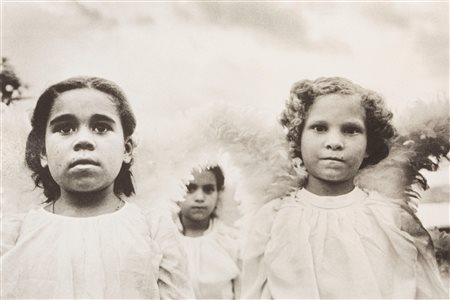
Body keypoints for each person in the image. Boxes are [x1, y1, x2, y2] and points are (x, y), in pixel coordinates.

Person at [241, 77, 447, 298]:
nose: (334, 142)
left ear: (369, 145)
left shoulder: (392, 218)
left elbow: (426, 291)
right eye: (319, 128)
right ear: (298, 138)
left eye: (350, 130)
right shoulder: (273, 219)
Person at [1, 76, 194, 299]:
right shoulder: (15, 234)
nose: (83, 140)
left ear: (127, 149)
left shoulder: (153, 230)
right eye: (65, 129)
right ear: (43, 151)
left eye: (101, 128)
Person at [178, 166, 240, 299]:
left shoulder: (231, 241)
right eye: (190, 188)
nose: (199, 197)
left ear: (219, 193)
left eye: (208, 190)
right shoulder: (164, 240)